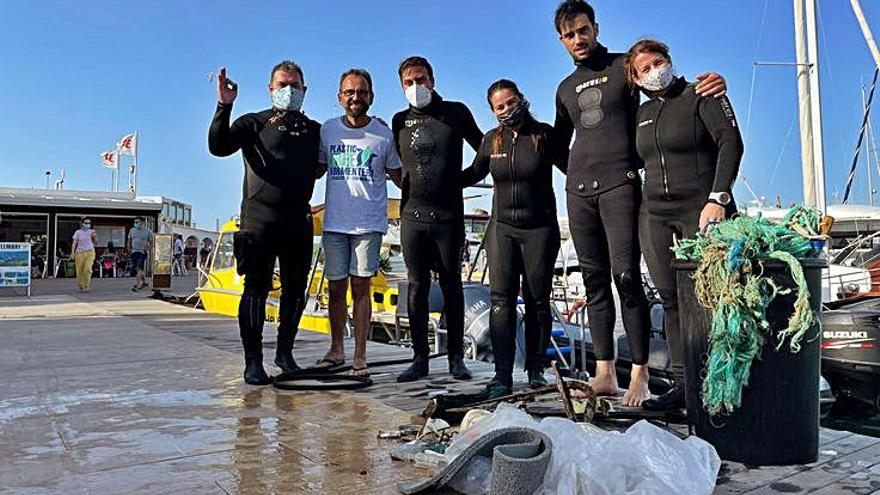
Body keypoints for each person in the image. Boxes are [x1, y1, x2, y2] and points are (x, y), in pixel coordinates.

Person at [552, 0, 727, 406]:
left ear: (595, 27)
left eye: (582, 30)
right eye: (568, 35)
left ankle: (640, 377)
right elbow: (561, 144)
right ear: (561, 41)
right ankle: (604, 373)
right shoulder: (563, 88)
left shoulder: (624, 69)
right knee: (594, 281)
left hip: (621, 186)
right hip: (579, 191)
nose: (577, 40)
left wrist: (714, 85)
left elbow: (663, 88)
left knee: (627, 279)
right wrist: (580, 173)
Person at [625, 39, 743, 410]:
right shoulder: (641, 113)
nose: (653, 71)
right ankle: (684, 386)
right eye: (644, 69)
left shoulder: (701, 93)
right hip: (655, 215)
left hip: (703, 208)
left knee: (714, 298)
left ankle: (723, 385)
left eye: (658, 62)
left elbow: (731, 142)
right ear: (636, 78)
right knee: (671, 300)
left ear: (670, 61)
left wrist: (718, 197)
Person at [208, 61, 321, 385]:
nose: (289, 90)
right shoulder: (253, 123)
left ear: (304, 90)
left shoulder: (314, 130)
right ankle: (253, 361)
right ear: (271, 89)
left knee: (296, 291)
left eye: (295, 85)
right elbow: (218, 146)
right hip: (260, 219)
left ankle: (285, 353)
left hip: (298, 219)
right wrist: (223, 106)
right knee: (255, 290)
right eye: (283, 84)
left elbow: (321, 166)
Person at [461, 80, 567, 397]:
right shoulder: (491, 140)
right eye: (499, 107)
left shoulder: (543, 135)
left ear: (521, 99)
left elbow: (575, 167)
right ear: (493, 112)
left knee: (537, 301)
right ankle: (502, 375)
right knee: (501, 302)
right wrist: (438, 183)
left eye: (510, 102)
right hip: (503, 230)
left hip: (539, 230)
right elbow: (473, 173)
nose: (507, 109)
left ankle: (536, 370)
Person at [392, 56, 483, 382]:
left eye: (421, 79)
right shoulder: (399, 119)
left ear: (432, 79)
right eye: (409, 82)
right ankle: (420, 359)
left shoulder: (455, 112)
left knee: (452, 286)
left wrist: (463, 179)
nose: (416, 87)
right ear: (402, 86)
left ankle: (456, 358)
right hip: (413, 217)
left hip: (448, 217)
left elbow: (484, 149)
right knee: (417, 287)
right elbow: (396, 164)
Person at [316, 68, 402, 377]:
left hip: (368, 224)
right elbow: (314, 170)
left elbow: (401, 177)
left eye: (362, 92)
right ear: (340, 97)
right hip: (335, 224)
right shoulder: (327, 131)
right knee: (336, 289)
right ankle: (336, 348)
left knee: (361, 287)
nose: (356, 97)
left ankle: (360, 354)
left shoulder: (383, 134)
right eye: (350, 92)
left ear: (371, 97)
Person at [71, 217, 97, 292]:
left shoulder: (92, 231)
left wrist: (94, 237)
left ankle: (87, 285)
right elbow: (74, 243)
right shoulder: (78, 232)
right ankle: (81, 286)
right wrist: (72, 252)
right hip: (79, 253)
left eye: (89, 223)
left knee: (88, 269)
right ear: (82, 224)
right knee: (79, 270)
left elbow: (96, 242)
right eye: (86, 223)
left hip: (90, 252)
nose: (87, 225)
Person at [127, 217, 153, 291]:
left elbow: (151, 243)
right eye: (135, 222)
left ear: (142, 222)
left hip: (142, 252)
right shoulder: (132, 230)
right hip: (134, 252)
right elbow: (129, 240)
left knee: (138, 267)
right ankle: (145, 282)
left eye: (137, 222)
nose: (136, 223)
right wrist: (128, 248)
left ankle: (136, 285)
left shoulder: (148, 232)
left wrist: (148, 248)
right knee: (137, 268)